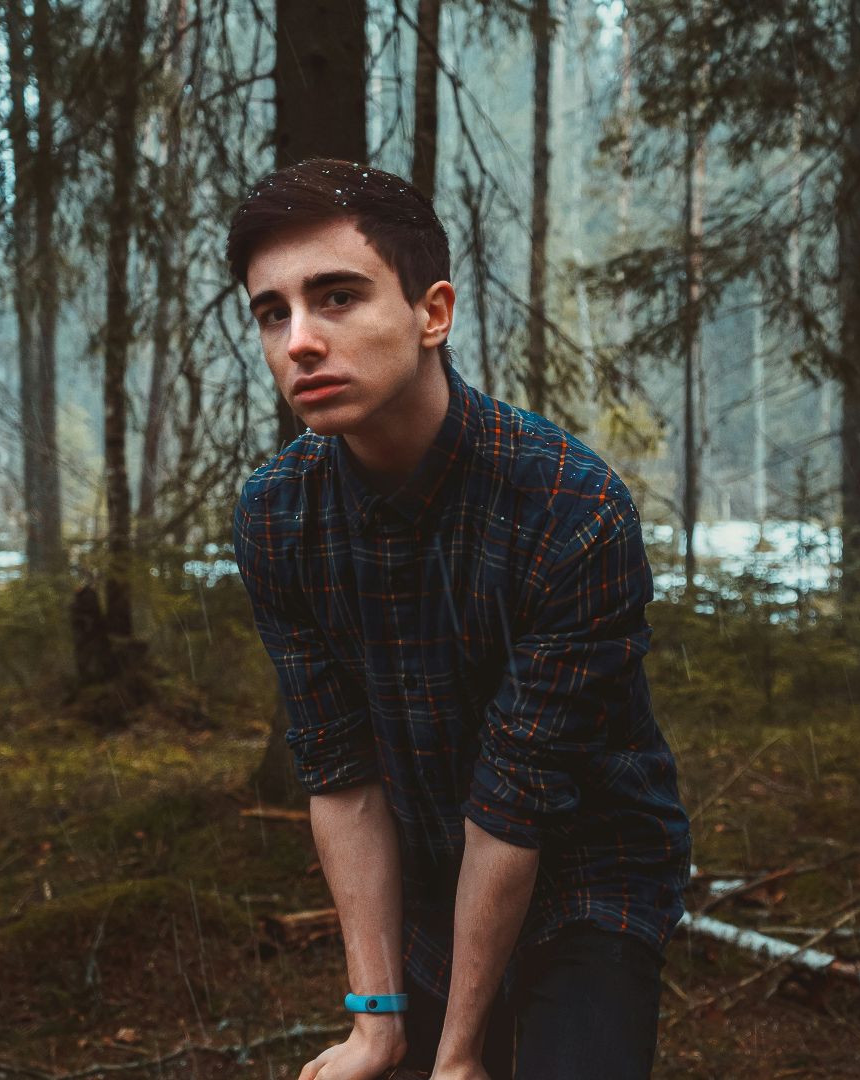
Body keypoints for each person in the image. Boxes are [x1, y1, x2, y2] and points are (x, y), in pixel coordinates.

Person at [228, 158, 691, 1080]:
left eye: (337, 297)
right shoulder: (276, 516)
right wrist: (376, 1019)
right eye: (273, 313)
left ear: (432, 313)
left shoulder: (570, 506)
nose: (300, 341)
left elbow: (515, 805)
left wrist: (462, 1054)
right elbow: (341, 773)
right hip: (430, 866)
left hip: (588, 865)